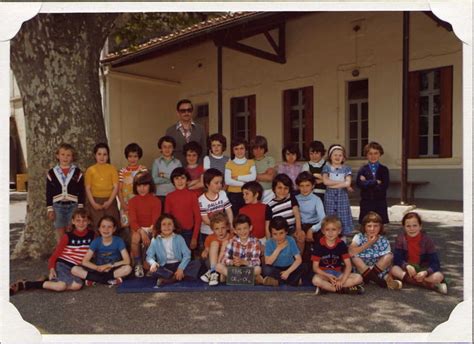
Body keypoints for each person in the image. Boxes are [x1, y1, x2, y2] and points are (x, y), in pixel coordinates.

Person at [10, 209, 95, 295]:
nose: (81, 223)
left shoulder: (92, 235)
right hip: (63, 265)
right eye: (78, 220)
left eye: (84, 220)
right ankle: (26, 284)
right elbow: (55, 255)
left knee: (77, 286)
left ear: (88, 221)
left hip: (77, 267)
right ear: (73, 221)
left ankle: (52, 281)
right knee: (61, 286)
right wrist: (51, 269)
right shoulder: (67, 236)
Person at [390, 212, 447, 294]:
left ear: (420, 226)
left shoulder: (427, 240)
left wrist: (426, 272)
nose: (411, 229)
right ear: (404, 227)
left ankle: (411, 281)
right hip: (408, 269)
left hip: (422, 269)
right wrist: (407, 266)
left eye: (415, 225)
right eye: (408, 226)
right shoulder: (400, 239)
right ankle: (431, 286)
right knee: (394, 269)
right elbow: (397, 258)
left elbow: (435, 263)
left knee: (439, 276)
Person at [71, 215, 132, 286]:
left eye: (109, 227)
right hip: (98, 269)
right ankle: (107, 280)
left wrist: (109, 265)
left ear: (114, 229)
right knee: (74, 269)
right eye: (103, 227)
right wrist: (97, 268)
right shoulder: (96, 242)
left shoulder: (119, 241)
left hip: (113, 269)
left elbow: (127, 261)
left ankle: (95, 279)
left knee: (128, 269)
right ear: (99, 228)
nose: (106, 230)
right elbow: (85, 261)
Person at [311, 215, 364, 295]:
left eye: (334, 230)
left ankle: (327, 288)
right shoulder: (319, 245)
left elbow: (348, 266)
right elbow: (315, 268)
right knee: (315, 280)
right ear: (323, 231)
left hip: (338, 274)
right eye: (327, 230)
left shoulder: (341, 244)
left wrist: (342, 280)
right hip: (324, 274)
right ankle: (342, 289)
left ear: (339, 231)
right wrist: (328, 276)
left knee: (358, 278)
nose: (330, 233)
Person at [349, 212, 402, 289]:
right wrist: (370, 242)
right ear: (364, 227)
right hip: (362, 268)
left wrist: (390, 273)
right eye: (369, 226)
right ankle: (377, 280)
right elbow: (351, 252)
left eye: (376, 226)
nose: (372, 229)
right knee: (355, 258)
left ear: (380, 227)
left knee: (389, 256)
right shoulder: (358, 237)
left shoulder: (384, 240)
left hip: (379, 269)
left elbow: (388, 261)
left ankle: (369, 278)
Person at [146, 213, 201, 287]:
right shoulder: (155, 240)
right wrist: (153, 263)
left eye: (169, 224)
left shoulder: (179, 238)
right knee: (153, 271)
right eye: (164, 224)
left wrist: (181, 268)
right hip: (164, 266)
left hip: (178, 264)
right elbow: (149, 256)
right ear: (160, 227)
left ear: (174, 226)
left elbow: (187, 254)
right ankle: (177, 276)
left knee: (196, 263)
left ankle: (171, 279)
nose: (167, 227)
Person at [46, 143, 85, 241]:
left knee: (72, 229)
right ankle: (61, 252)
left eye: (68, 155)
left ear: (72, 157)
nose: (65, 157)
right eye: (62, 154)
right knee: (61, 231)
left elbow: (81, 190)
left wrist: (80, 206)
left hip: (73, 205)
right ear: (57, 156)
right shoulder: (52, 173)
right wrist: (49, 208)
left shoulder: (77, 172)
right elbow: (49, 192)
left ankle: (72, 250)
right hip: (57, 206)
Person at [128, 171, 162, 278]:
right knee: (135, 237)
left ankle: (150, 261)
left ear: (150, 186)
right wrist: (141, 231)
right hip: (138, 229)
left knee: (148, 267)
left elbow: (156, 221)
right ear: (135, 187)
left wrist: (150, 233)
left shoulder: (156, 201)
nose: (142, 188)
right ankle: (138, 263)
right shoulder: (132, 201)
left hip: (152, 228)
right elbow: (132, 221)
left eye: (145, 185)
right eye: (139, 185)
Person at [216, 214, 263, 284]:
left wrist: (244, 262)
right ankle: (248, 279)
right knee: (218, 266)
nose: (242, 232)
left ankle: (231, 278)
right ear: (235, 231)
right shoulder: (232, 241)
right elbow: (224, 259)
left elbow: (257, 261)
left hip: (247, 268)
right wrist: (232, 262)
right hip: (234, 268)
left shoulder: (255, 242)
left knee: (258, 269)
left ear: (250, 228)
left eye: (245, 228)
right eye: (239, 229)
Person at [266, 173, 305, 253]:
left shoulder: (291, 198)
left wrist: (298, 229)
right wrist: (269, 241)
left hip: (292, 229)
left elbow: (297, 214)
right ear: (274, 188)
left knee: (301, 236)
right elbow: (267, 226)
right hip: (279, 232)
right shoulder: (270, 205)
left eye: (286, 188)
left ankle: (298, 259)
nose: (282, 191)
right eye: (279, 188)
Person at [84, 143, 120, 230]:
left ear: (108, 156)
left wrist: (109, 201)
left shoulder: (112, 169)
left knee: (112, 224)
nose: (102, 157)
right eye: (99, 154)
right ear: (95, 155)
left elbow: (116, 187)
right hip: (95, 200)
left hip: (110, 200)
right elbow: (88, 188)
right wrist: (93, 203)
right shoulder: (90, 170)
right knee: (97, 225)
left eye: (105, 154)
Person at [165, 167, 201, 251]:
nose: (180, 181)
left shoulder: (192, 195)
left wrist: (194, 237)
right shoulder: (169, 196)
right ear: (173, 181)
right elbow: (167, 218)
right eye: (177, 178)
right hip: (174, 232)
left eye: (183, 178)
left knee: (187, 258)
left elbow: (198, 217)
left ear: (187, 180)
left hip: (188, 233)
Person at [322, 144, 353, 238]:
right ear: (330, 156)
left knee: (342, 217)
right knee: (330, 217)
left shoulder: (346, 168)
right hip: (330, 197)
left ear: (343, 157)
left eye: (340, 155)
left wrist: (333, 185)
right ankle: (330, 238)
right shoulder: (327, 168)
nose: (337, 157)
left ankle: (342, 240)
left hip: (342, 196)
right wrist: (341, 182)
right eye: (335, 155)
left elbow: (348, 183)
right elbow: (325, 181)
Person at [263, 216, 304, 287]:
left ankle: (278, 282)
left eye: (281, 233)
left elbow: (298, 260)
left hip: (290, 268)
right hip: (276, 269)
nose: (278, 237)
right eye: (275, 234)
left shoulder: (290, 240)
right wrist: (278, 248)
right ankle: (293, 281)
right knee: (266, 269)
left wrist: (287, 272)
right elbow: (268, 262)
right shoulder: (269, 242)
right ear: (271, 234)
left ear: (286, 232)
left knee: (305, 266)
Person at [295, 171, 325, 262]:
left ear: (312, 186)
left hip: (315, 226)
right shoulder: (295, 199)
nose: (305, 189)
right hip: (300, 226)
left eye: (307, 185)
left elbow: (323, 219)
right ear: (298, 186)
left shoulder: (316, 199)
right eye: (302, 186)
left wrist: (312, 229)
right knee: (300, 239)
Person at [356, 141, 390, 224]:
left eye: (376, 153)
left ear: (380, 154)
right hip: (366, 202)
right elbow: (359, 184)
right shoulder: (363, 169)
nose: (373, 156)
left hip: (380, 201)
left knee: (380, 225)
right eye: (370, 154)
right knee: (365, 224)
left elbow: (384, 185)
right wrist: (375, 182)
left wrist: (367, 183)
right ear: (366, 155)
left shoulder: (384, 169)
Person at [165, 99, 207, 166]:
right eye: (183, 111)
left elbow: (204, 150)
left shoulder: (200, 129)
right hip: (177, 168)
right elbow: (167, 152)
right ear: (178, 113)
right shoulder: (170, 131)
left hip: (196, 168)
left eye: (189, 110)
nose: (186, 113)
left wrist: (200, 166)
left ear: (192, 111)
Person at [198, 168, 233, 247]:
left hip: (223, 231)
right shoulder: (201, 199)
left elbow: (229, 211)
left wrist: (230, 225)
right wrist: (217, 228)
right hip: (208, 232)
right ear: (207, 184)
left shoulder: (222, 193)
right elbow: (205, 219)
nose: (220, 185)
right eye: (216, 183)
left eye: (221, 182)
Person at [225, 137, 256, 216]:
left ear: (246, 149)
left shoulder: (251, 162)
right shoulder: (229, 163)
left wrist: (237, 177)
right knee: (235, 217)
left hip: (247, 194)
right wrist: (245, 184)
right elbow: (228, 181)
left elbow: (253, 177)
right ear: (233, 150)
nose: (239, 151)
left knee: (247, 217)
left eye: (241, 148)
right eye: (236, 149)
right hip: (233, 195)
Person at [118, 143, 147, 227]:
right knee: (126, 225)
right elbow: (119, 190)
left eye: (135, 156)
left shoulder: (143, 169)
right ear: (127, 156)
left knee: (139, 225)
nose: (132, 159)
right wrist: (122, 203)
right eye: (130, 156)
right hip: (126, 203)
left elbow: (146, 187)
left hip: (140, 203)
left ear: (139, 156)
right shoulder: (122, 171)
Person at [200, 213, 233, 286]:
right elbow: (207, 249)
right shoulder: (210, 238)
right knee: (214, 243)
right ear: (212, 229)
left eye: (223, 228)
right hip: (212, 262)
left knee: (226, 242)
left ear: (227, 227)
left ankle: (213, 272)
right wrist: (206, 251)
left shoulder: (231, 237)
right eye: (217, 229)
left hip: (226, 262)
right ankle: (214, 272)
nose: (220, 231)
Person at [151, 135, 182, 207]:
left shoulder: (177, 162)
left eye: (170, 147)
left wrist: (163, 176)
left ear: (173, 148)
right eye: (164, 147)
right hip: (159, 194)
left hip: (174, 194)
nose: (167, 149)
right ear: (160, 148)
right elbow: (154, 180)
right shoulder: (156, 162)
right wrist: (170, 179)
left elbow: (179, 180)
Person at [239, 181, 270, 247]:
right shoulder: (242, 210)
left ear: (256, 195)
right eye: (243, 194)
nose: (244, 196)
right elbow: (242, 230)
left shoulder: (266, 208)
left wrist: (268, 245)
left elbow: (267, 228)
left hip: (263, 240)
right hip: (248, 241)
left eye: (247, 194)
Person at [250, 135, 276, 204]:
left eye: (261, 148)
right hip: (254, 193)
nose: (258, 151)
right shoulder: (249, 162)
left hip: (269, 192)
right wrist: (264, 175)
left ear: (265, 149)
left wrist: (253, 176)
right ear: (252, 149)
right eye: (256, 148)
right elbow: (248, 179)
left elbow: (269, 177)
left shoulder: (270, 159)